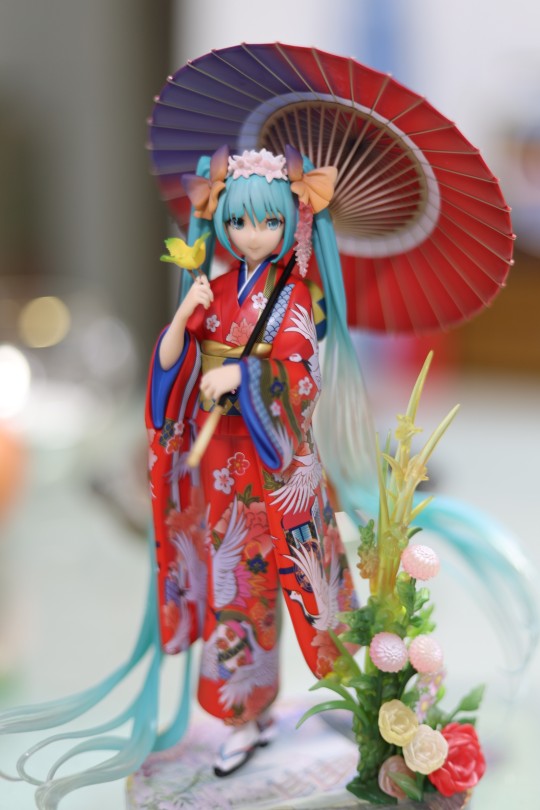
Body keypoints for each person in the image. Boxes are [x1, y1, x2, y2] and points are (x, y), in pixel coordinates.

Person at [145, 144, 365, 775]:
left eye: (269, 221)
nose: (252, 233)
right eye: (239, 220)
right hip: (219, 461)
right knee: (232, 586)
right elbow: (171, 371)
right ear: (221, 221)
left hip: (270, 467)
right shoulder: (213, 291)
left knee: (264, 585)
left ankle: (258, 710)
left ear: (291, 224)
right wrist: (181, 323)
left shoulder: (295, 300)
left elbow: (300, 376)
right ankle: (247, 713)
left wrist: (242, 376)